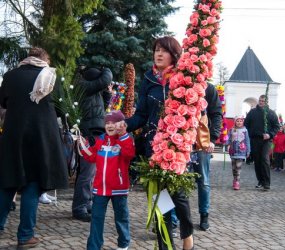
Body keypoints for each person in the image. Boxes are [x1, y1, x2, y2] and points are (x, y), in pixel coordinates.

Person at [126, 36, 194, 250]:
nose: (158, 53)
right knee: (160, 199)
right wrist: (122, 125)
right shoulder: (149, 79)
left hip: (177, 146)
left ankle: (187, 233)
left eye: (164, 50)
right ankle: (165, 246)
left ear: (174, 54)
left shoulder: (185, 78)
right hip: (153, 148)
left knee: (179, 196)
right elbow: (142, 115)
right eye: (156, 49)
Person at [0, 47, 68, 248]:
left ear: (27, 58)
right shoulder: (51, 76)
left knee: (7, 182)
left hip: (14, 135)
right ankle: (25, 236)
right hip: (41, 137)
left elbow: (2, 101)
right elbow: (60, 109)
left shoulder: (11, 75)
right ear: (44, 59)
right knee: (32, 184)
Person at [80, 110, 135, 250]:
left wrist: (123, 136)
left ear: (121, 124)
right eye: (107, 123)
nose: (110, 125)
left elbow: (129, 154)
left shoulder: (125, 139)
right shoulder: (100, 140)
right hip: (100, 188)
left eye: (114, 122)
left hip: (119, 188)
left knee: (121, 217)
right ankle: (93, 246)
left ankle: (124, 244)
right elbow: (91, 157)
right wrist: (83, 145)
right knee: (96, 219)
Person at [72, 66, 113, 222]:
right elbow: (106, 77)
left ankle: (86, 202)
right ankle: (79, 208)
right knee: (86, 174)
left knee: (90, 173)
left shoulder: (91, 91)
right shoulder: (83, 86)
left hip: (95, 134)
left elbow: (101, 108)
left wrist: (107, 94)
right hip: (89, 135)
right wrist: (105, 69)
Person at [191, 84, 222, 231]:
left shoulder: (209, 88)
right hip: (181, 142)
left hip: (202, 142)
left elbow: (216, 114)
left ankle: (204, 215)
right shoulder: (180, 84)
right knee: (177, 182)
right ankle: (174, 218)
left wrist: (212, 139)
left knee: (203, 181)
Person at [244, 95, 280, 191]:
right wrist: (252, 133)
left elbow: (277, 126)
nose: (261, 102)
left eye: (263, 101)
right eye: (260, 100)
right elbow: (246, 124)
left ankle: (266, 183)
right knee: (257, 161)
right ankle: (260, 180)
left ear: (266, 102)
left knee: (264, 159)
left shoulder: (271, 113)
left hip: (267, 140)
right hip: (255, 139)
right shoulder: (252, 112)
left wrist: (270, 134)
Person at [227, 115, 250, 190]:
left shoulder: (245, 130)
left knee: (238, 167)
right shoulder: (232, 130)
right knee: (234, 168)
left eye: (240, 121)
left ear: (243, 122)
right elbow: (229, 139)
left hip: (241, 151)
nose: (239, 122)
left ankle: (237, 182)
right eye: (237, 121)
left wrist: (248, 151)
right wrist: (227, 145)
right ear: (235, 122)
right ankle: (234, 179)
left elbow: (247, 141)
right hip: (233, 151)